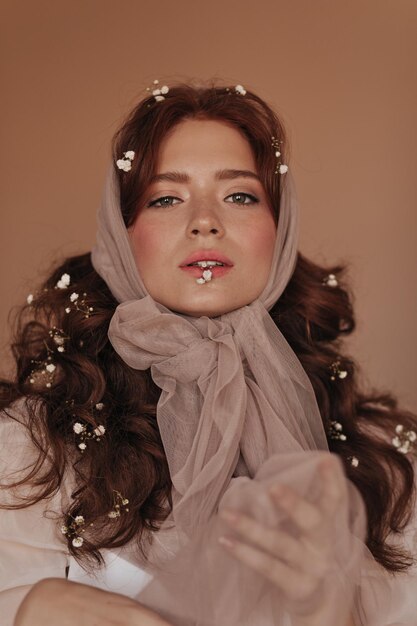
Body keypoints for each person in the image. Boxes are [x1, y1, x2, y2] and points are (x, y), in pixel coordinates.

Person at [1, 81, 416, 626]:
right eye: (165, 197)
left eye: (240, 195)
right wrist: (35, 607)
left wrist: (331, 614)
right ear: (123, 232)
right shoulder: (34, 441)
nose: (205, 220)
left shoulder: (389, 461)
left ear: (280, 228)